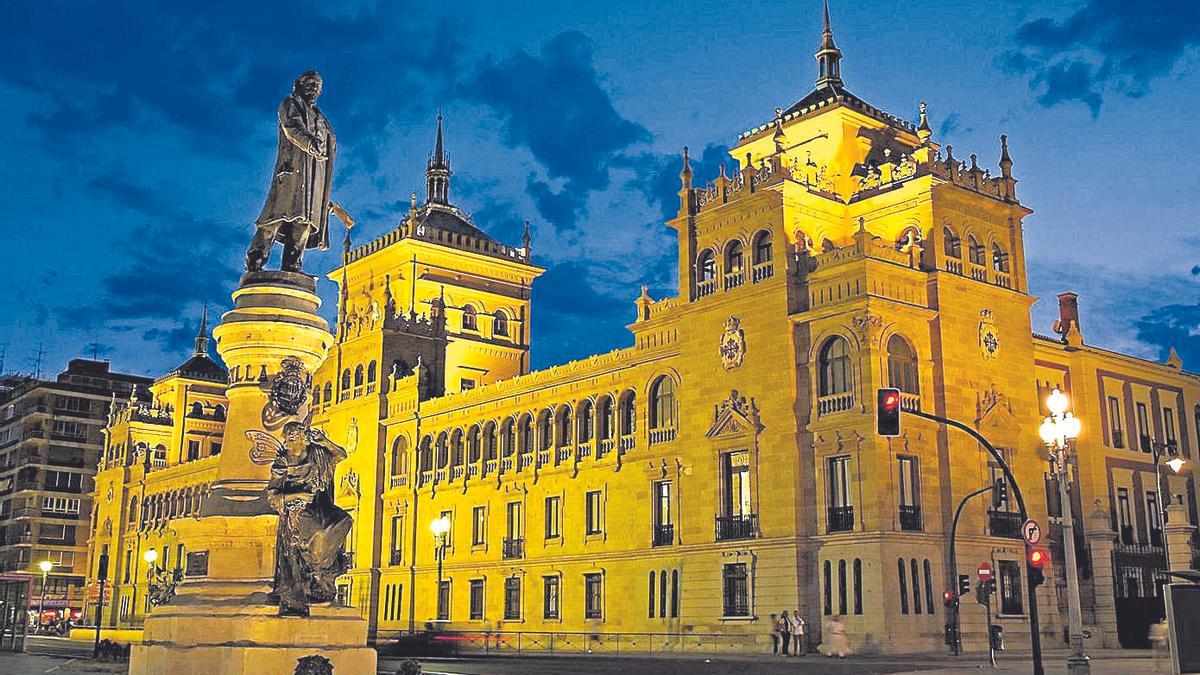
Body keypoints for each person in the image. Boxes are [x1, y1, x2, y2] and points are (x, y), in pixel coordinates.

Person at [245, 71, 336, 273]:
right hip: (292, 172)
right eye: (310, 84)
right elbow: (292, 128)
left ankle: (292, 266)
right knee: (275, 217)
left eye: (317, 87)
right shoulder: (289, 104)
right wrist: (311, 144)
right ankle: (255, 260)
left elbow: (329, 149)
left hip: (315, 179)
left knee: (304, 222)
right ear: (299, 85)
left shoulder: (321, 118)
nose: (314, 89)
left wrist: (324, 194)